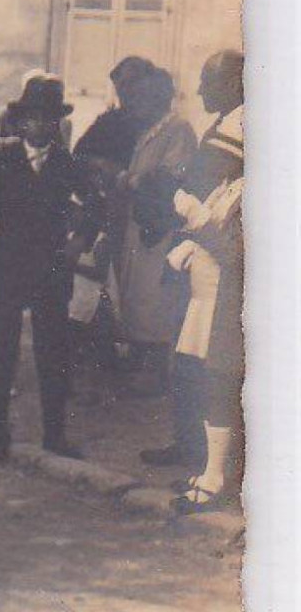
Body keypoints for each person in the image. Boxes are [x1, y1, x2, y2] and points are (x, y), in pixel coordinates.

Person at [0, 75, 105, 466]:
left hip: (51, 270)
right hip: (7, 269)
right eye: (33, 117)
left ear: (57, 123)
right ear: (21, 121)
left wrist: (79, 241)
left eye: (49, 118)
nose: (41, 125)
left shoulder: (67, 163)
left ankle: (54, 434)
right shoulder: (2, 161)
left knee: (53, 353)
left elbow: (97, 205)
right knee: (1, 353)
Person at [158, 51, 244, 514]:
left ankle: (217, 475)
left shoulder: (244, 125)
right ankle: (211, 466)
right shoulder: (229, 133)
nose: (201, 89)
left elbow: (204, 175)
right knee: (208, 366)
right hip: (210, 268)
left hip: (227, 276)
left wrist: (195, 213)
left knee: (221, 369)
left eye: (210, 80)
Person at [109, 68, 199, 397]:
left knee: (155, 299)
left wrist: (128, 180)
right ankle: (141, 362)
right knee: (137, 295)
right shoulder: (149, 131)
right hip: (140, 223)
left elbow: (170, 178)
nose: (135, 102)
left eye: (143, 96)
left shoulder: (178, 131)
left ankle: (157, 372)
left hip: (158, 227)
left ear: (160, 98)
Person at [72, 56, 160, 171]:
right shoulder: (108, 121)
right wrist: (100, 163)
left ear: (148, 86)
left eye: (133, 82)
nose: (126, 90)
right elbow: (78, 155)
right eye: (122, 85)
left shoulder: (161, 124)